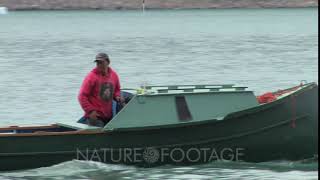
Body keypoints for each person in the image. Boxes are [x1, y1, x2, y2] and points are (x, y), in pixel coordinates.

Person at [78, 53, 124, 127]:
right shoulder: (91, 77)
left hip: (108, 115)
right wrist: (90, 111)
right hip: (95, 117)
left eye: (101, 62)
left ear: (108, 62)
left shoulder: (114, 75)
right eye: (97, 63)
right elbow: (81, 96)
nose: (99, 65)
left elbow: (117, 89)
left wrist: (117, 96)